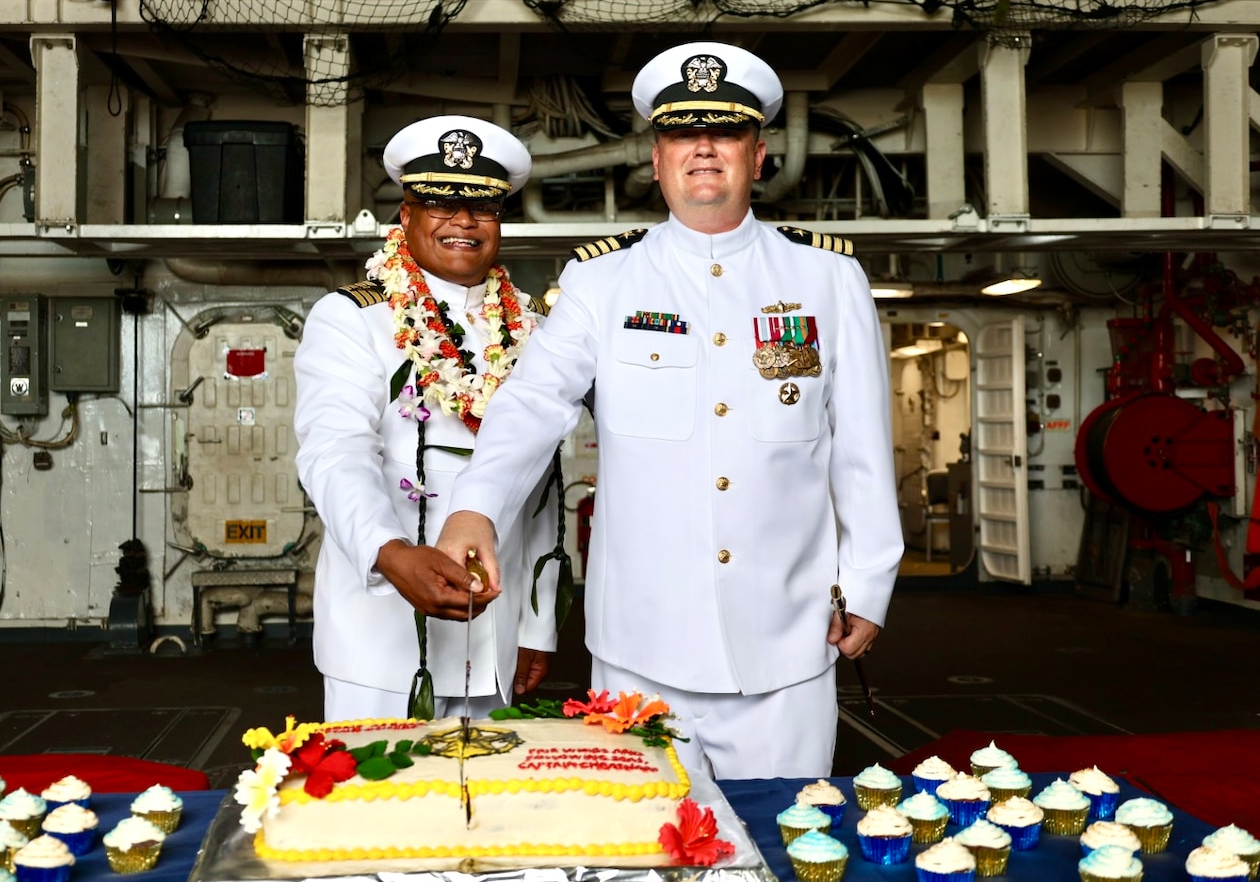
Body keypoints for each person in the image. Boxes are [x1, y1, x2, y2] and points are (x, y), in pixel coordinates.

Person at [435, 43, 903, 779]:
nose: (705, 148)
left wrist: (871, 580)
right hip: (639, 654)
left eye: (726, 131)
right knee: (645, 856)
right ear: (656, 159)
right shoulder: (601, 279)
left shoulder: (828, 278)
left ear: (760, 153)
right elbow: (533, 404)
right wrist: (475, 508)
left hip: (786, 648)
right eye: (685, 133)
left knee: (783, 846)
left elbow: (862, 451)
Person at [293, 115, 560, 722]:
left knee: (493, 808)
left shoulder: (534, 328)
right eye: (441, 202)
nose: (463, 221)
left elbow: (544, 484)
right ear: (405, 217)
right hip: (379, 636)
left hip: (494, 638)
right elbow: (333, 453)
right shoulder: (351, 319)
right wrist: (390, 553)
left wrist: (538, 625)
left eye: (483, 207)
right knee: (383, 806)